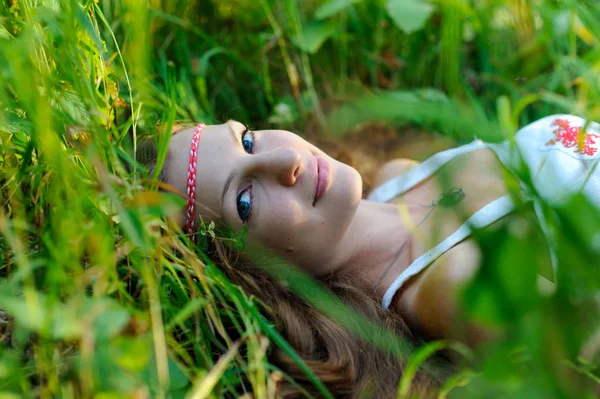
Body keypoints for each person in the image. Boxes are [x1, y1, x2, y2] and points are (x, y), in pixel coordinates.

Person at [137, 115, 600, 397]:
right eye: (245, 201)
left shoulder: (401, 179)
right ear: (258, 276)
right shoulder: (453, 286)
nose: (286, 163)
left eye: (250, 140)